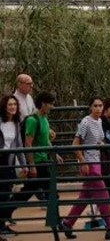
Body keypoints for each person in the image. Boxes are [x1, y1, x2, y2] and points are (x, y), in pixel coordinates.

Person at [59, 97, 110, 240]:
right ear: (90, 107)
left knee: (85, 196)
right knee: (104, 196)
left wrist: (101, 143)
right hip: (89, 163)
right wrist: (82, 162)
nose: (98, 108)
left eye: (100, 105)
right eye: (95, 105)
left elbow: (98, 139)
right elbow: (75, 144)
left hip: (97, 161)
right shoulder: (85, 122)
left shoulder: (99, 121)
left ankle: (67, 223)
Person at [15, 91, 59, 209]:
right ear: (43, 104)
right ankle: (55, 221)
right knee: (52, 192)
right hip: (38, 162)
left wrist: (54, 154)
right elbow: (28, 143)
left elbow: (45, 140)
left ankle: (6, 210)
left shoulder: (44, 119)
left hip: (43, 159)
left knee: (27, 192)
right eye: (50, 104)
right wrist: (32, 165)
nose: (52, 107)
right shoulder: (32, 120)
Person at [0, 95, 26, 236]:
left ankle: (2, 224)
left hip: (8, 162)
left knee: (6, 194)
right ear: (4, 106)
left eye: (14, 104)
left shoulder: (16, 123)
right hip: (0, 160)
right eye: (9, 104)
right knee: (3, 194)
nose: (12, 107)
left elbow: (19, 144)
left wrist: (24, 164)